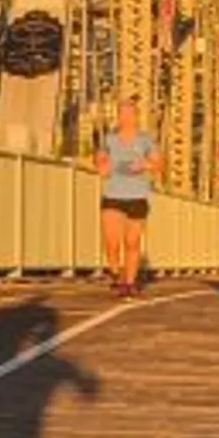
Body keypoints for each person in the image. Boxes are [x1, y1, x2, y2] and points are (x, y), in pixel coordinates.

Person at [95, 97, 160, 298]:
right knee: (111, 242)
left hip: (137, 195)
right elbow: (100, 158)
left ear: (136, 117)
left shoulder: (145, 140)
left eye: (129, 113)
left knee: (132, 242)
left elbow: (158, 164)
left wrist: (145, 166)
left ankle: (129, 283)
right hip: (113, 194)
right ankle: (115, 272)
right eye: (121, 113)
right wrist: (101, 166)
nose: (125, 117)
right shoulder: (110, 139)